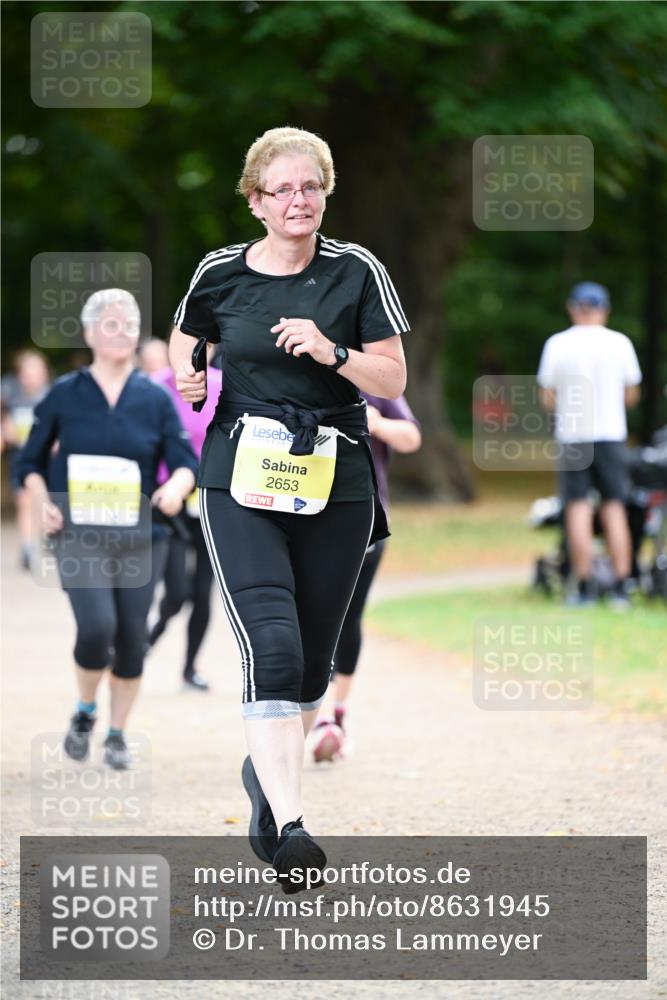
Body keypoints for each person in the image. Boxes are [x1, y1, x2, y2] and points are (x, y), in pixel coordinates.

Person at [169, 126, 408, 889]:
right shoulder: (218, 271)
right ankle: (295, 827)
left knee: (309, 662)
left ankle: (266, 791)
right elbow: (186, 340)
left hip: (334, 478)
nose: (298, 200)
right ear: (255, 201)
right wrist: (192, 379)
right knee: (268, 647)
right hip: (240, 475)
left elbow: (390, 367)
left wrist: (332, 351)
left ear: (324, 193)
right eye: (282, 189)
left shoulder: (356, 271)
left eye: (310, 187)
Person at [18, 290, 198, 768]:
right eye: (112, 324)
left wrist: (177, 487)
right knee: (97, 629)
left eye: (130, 325)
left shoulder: (155, 398)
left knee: (132, 640)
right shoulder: (65, 394)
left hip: (144, 535)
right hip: (79, 531)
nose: (122, 333)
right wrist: (44, 502)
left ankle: (117, 734)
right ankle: (85, 709)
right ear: (91, 332)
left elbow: (184, 461)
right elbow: (29, 462)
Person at [311, 393, 421, 762]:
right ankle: (320, 715)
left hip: (368, 519)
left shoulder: (376, 378)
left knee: (346, 618)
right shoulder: (299, 369)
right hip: (306, 516)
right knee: (310, 615)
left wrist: (377, 423)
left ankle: (335, 713)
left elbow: (411, 437)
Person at [537, 282, 642, 608]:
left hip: (573, 435)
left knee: (577, 508)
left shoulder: (557, 343)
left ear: (572, 308)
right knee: (614, 506)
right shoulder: (620, 343)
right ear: (604, 309)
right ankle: (622, 584)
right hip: (611, 434)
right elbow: (631, 393)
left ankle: (582, 585)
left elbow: (547, 396)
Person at [138, 338, 223, 691]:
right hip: (168, 499)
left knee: (203, 591)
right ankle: (142, 647)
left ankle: (189, 668)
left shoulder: (225, 386)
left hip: (210, 499)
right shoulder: (157, 386)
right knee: (176, 591)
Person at [1, 350, 51, 569]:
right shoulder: (10, 394)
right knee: (24, 500)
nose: (32, 377)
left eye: (36, 371)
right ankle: (28, 547)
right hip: (21, 457)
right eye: (27, 372)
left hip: (47, 458)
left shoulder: (52, 394)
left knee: (44, 499)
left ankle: (48, 538)